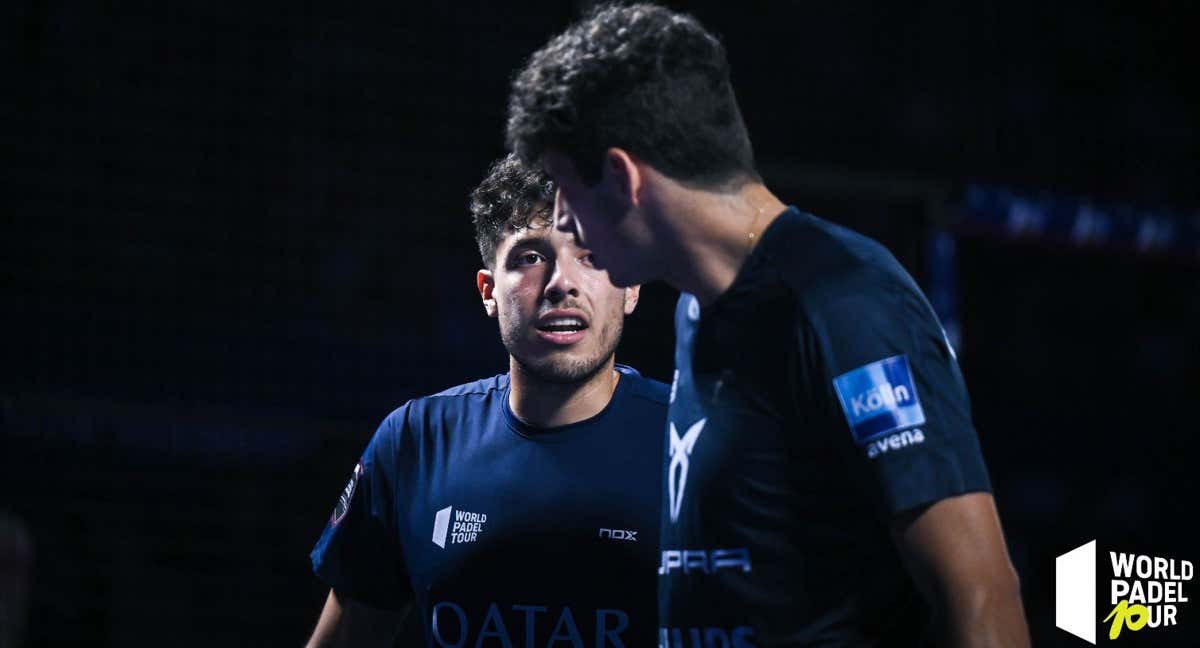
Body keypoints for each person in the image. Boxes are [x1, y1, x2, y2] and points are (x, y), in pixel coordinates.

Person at [506, 4, 1030, 647]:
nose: (560, 220)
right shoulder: (695, 310)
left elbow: (981, 596)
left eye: (564, 187)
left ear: (622, 177)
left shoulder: (849, 304)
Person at [305, 154, 668, 647]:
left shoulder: (693, 441)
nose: (561, 283)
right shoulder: (415, 441)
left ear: (629, 287)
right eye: (530, 257)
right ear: (488, 291)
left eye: (592, 255)